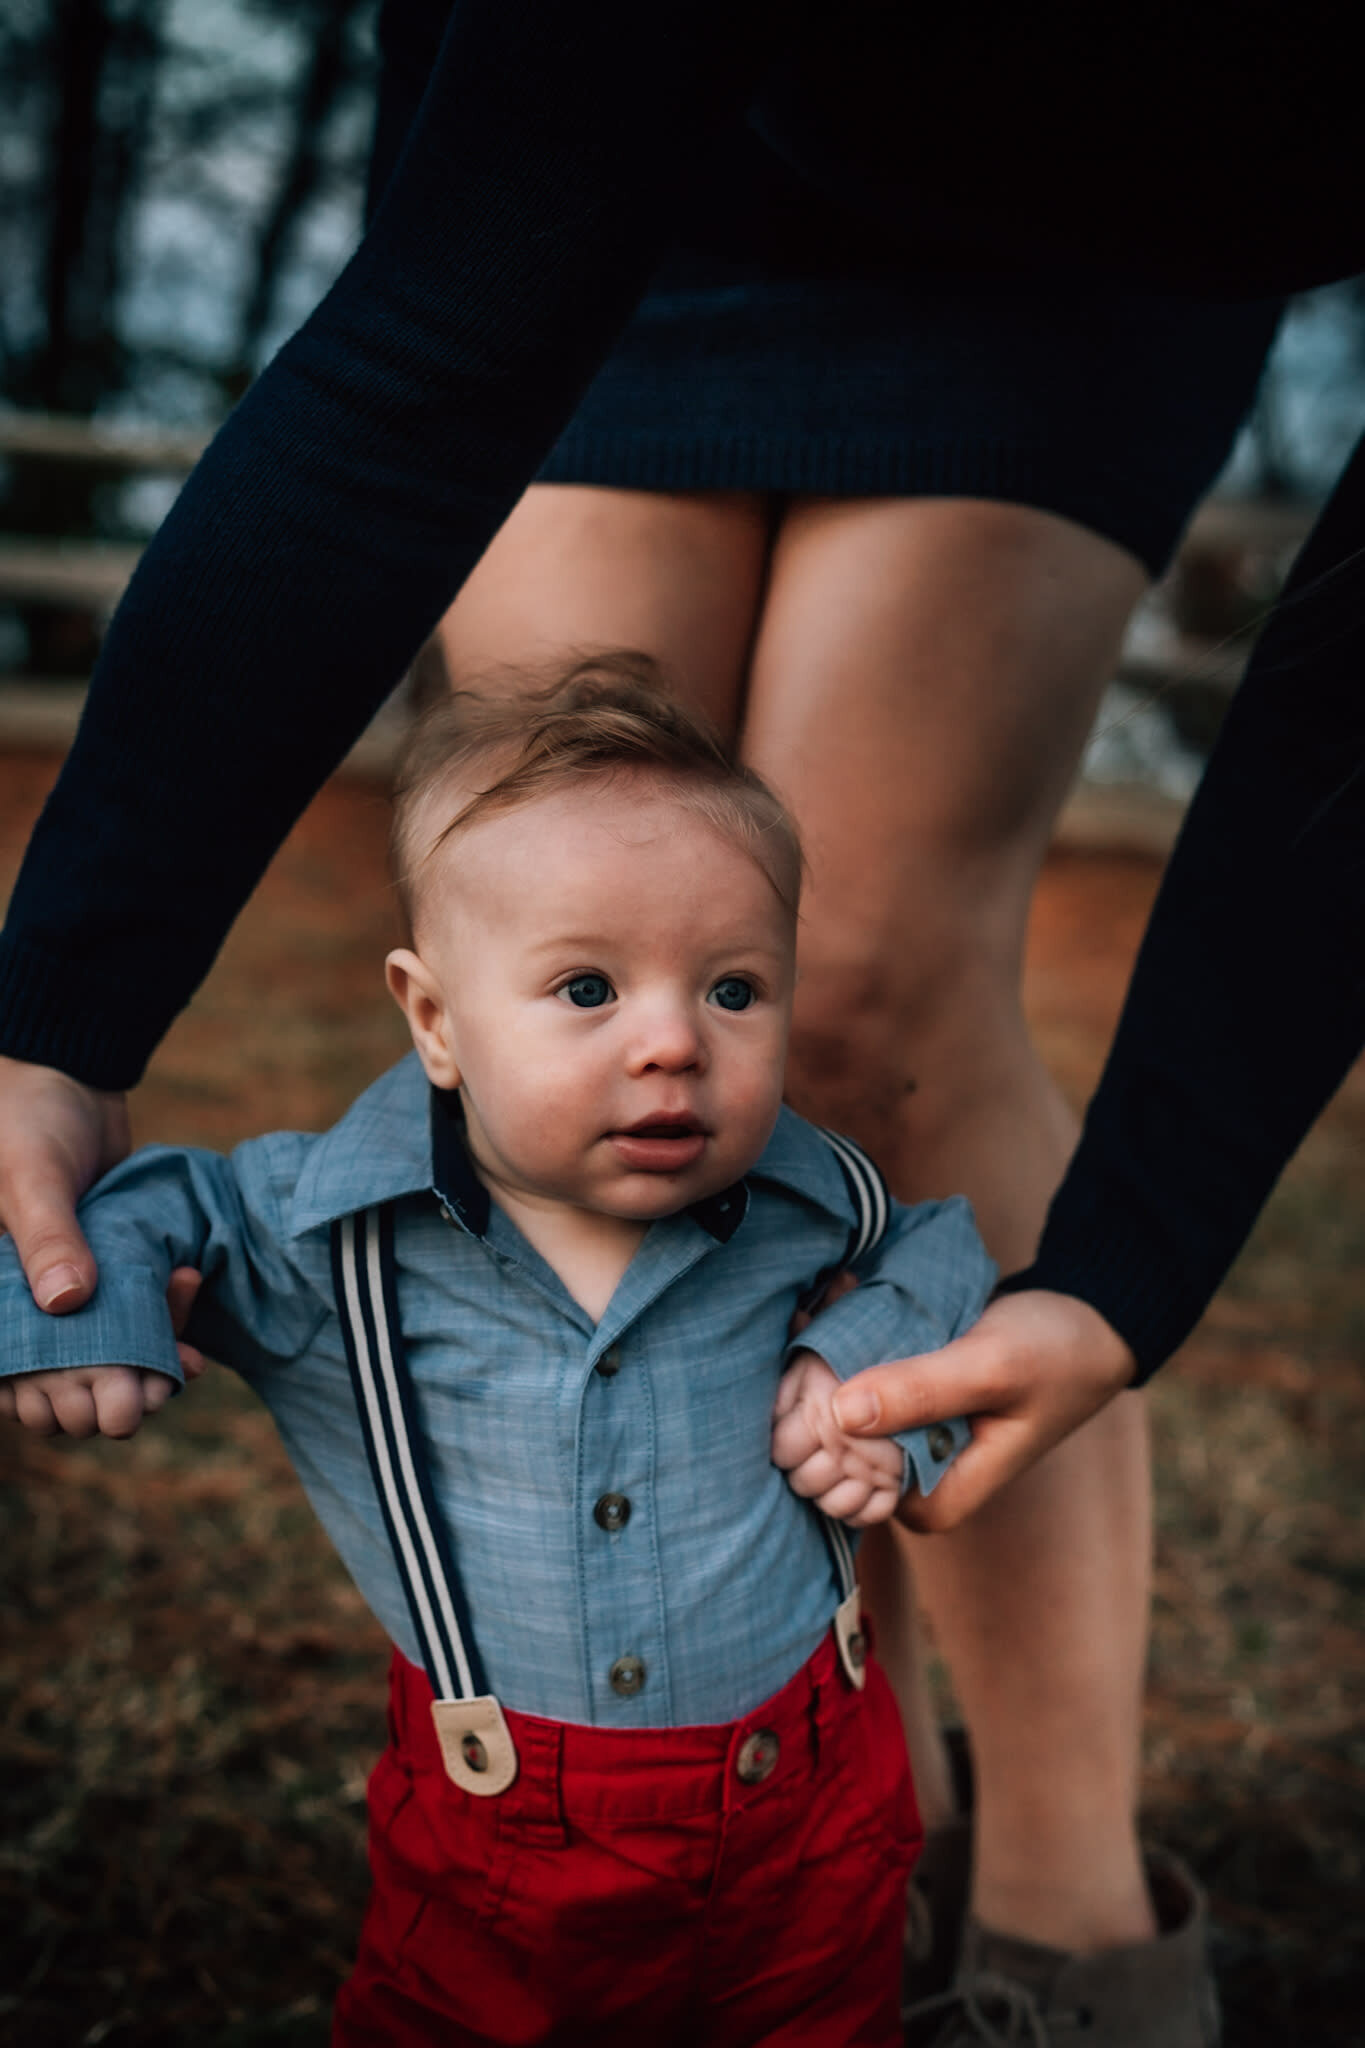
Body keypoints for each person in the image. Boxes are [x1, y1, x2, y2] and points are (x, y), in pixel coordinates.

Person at [1, 6, 1362, 2044]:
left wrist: (1131, 1269)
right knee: (606, 914)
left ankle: (1076, 1942)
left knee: (857, 975)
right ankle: (833, 1822)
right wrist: (54, 1017)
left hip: (1080, 275)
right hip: (625, 165)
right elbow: (412, 375)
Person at [1, 670, 998, 2044]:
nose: (670, 1043)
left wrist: (865, 1367)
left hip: (808, 1810)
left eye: (732, 989)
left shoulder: (809, 1198)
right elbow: (131, 1200)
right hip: (500, 1853)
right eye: (587, 987)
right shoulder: (326, 1238)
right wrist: (79, 1316)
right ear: (434, 1021)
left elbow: (937, 1249)